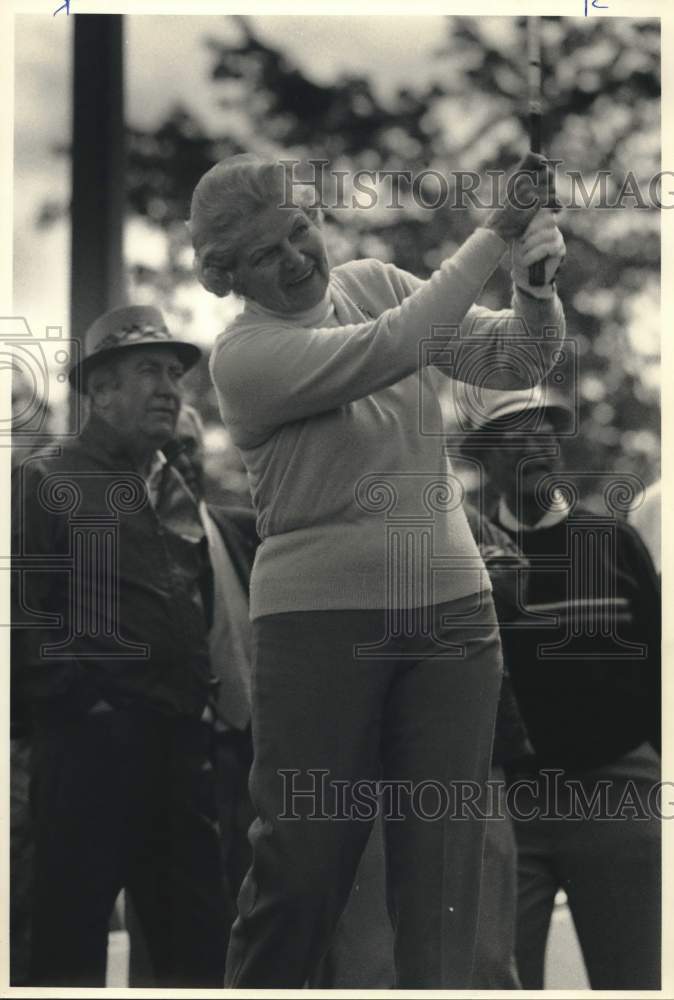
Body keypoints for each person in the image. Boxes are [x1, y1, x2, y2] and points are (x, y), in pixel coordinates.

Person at [188, 150, 567, 988]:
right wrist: (493, 233)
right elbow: (397, 345)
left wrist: (534, 286)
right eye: (263, 255)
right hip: (318, 627)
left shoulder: (375, 279)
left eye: (298, 231)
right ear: (226, 276)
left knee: (443, 887)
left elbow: (514, 364)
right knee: (302, 869)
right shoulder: (242, 358)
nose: (294, 259)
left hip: (454, 615)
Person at [11, 305, 227, 987]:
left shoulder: (175, 489)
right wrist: (86, 708)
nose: (170, 388)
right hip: (90, 752)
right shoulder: (46, 477)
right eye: (148, 372)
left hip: (180, 752)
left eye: (174, 374)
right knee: (69, 953)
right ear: (99, 390)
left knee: (197, 950)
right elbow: (25, 618)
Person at [461, 384, 661, 989]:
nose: (538, 446)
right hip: (506, 805)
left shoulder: (614, 541)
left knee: (631, 981)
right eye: (517, 435)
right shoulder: (460, 560)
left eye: (546, 433)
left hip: (617, 791)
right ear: (485, 459)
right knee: (498, 978)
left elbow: (661, 664)